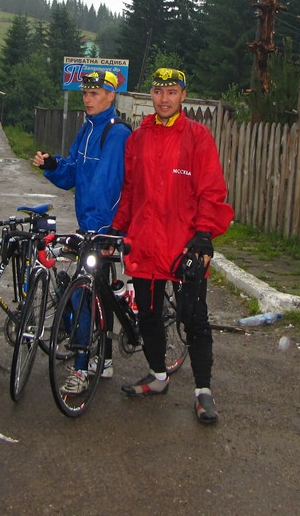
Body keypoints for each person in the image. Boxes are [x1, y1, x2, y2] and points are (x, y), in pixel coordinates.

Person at [112, 68, 233, 425]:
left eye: (171, 92)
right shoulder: (138, 138)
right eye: (158, 92)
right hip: (146, 244)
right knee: (148, 315)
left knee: (194, 318)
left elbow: (211, 189)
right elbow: (130, 191)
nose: (164, 99)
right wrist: (117, 229)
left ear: (183, 95)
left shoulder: (197, 136)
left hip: (184, 247)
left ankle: (203, 391)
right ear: (151, 95)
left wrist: (204, 234)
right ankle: (158, 375)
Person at [32, 69, 130, 394]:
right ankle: (105, 356)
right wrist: (52, 165)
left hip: (103, 229)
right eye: (85, 93)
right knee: (93, 292)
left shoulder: (116, 134)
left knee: (84, 294)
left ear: (111, 95)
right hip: (89, 228)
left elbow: (107, 186)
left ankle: (83, 365)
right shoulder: (87, 128)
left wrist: (100, 231)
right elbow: (73, 170)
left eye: (95, 93)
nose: (88, 99)